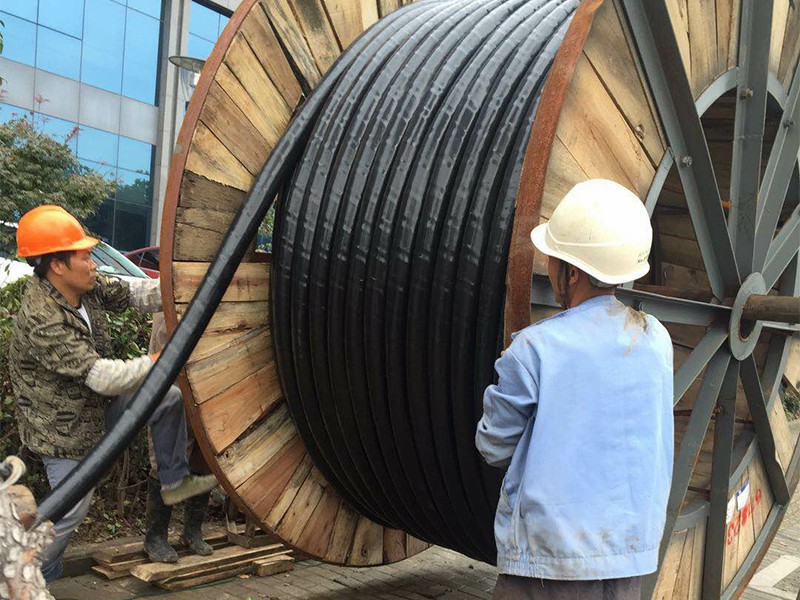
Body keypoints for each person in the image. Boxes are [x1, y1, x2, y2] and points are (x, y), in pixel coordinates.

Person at [476, 179, 674, 600]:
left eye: (554, 258)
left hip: (548, 568)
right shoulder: (657, 339)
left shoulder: (533, 349)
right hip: (628, 564)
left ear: (572, 272)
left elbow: (493, 446)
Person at [9, 205, 217, 582]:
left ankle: (174, 482)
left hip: (96, 407)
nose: (93, 263)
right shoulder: (42, 317)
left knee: (167, 398)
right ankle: (26, 575)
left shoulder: (83, 285)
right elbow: (103, 377)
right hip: (62, 430)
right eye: (85, 256)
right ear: (57, 265)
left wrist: (186, 289)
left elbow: (135, 293)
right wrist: (161, 358)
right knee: (69, 510)